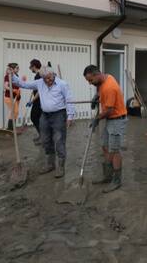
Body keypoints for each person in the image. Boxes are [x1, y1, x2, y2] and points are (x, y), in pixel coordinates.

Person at [10, 67, 75, 177]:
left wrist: (70, 116)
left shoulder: (62, 84)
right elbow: (24, 84)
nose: (47, 81)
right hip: (44, 115)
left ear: (53, 74)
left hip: (59, 115)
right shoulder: (40, 83)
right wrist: (12, 76)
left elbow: (69, 100)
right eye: (44, 78)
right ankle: (50, 164)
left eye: (49, 78)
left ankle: (61, 167)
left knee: (59, 140)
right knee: (45, 140)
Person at [83, 65, 127, 193]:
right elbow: (99, 88)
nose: (90, 83)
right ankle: (107, 176)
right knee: (104, 146)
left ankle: (117, 181)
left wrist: (97, 119)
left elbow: (109, 110)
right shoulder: (106, 77)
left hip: (117, 119)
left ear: (97, 74)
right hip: (110, 119)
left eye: (91, 80)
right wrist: (97, 96)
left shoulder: (110, 87)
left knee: (114, 150)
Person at [28, 59, 43, 145]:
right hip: (38, 100)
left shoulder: (38, 75)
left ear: (34, 66)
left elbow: (40, 91)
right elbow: (37, 87)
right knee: (38, 119)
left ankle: (43, 136)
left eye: (31, 67)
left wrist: (32, 100)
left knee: (34, 117)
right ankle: (41, 135)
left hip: (39, 101)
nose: (30, 69)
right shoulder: (38, 75)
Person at [3, 63, 21, 130]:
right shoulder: (8, 76)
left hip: (16, 97)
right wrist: (13, 90)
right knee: (14, 112)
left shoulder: (16, 76)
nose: (18, 69)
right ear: (12, 69)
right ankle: (10, 129)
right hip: (9, 97)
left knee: (15, 113)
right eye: (17, 68)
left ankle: (12, 129)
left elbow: (18, 85)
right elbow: (6, 86)